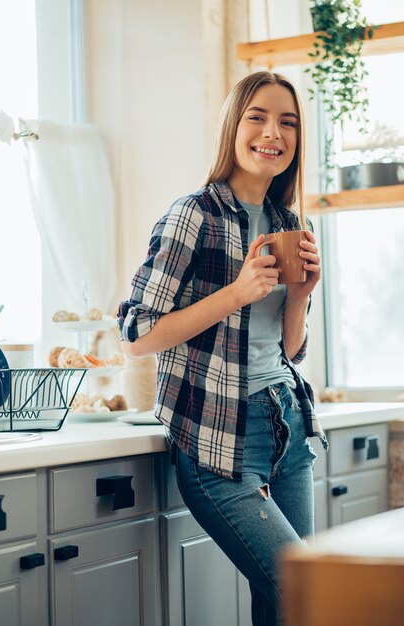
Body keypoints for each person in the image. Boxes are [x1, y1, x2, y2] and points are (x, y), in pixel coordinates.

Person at [118, 70, 328, 626]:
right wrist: (236, 292)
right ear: (232, 127)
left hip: (285, 422)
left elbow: (290, 350)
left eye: (287, 122)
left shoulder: (288, 223)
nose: (273, 133)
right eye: (257, 117)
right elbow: (137, 334)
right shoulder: (194, 215)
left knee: (285, 603)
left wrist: (300, 297)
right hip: (215, 437)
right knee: (302, 589)